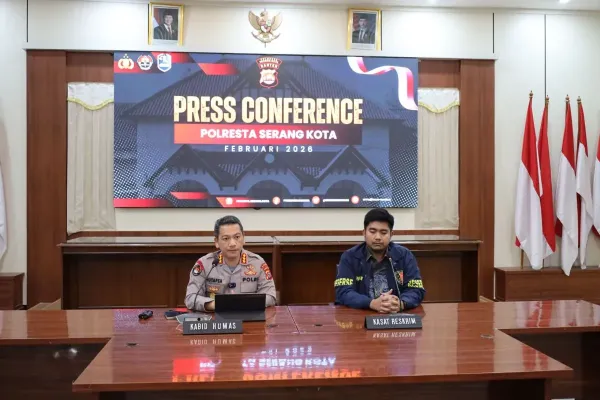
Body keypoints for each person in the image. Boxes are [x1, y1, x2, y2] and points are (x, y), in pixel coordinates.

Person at [334, 208, 425, 313]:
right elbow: (343, 291)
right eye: (372, 231)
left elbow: (416, 289)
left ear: (391, 234)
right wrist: (371, 303)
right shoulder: (350, 257)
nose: (377, 237)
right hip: (361, 314)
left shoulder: (404, 255)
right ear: (364, 233)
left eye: (383, 232)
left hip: (395, 315)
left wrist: (400, 304)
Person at [184, 215, 277, 312]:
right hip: (215, 317)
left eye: (237, 237)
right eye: (226, 238)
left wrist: (244, 303)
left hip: (249, 316)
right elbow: (191, 298)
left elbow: (270, 296)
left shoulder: (257, 263)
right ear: (216, 242)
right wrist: (215, 305)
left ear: (243, 238)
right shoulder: (205, 264)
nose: (232, 243)